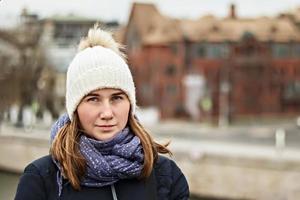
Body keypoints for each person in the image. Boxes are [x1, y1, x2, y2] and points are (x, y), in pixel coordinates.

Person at [14, 25, 189, 200]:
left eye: (117, 98)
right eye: (93, 99)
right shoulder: (41, 180)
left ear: (130, 104)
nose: (107, 113)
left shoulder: (165, 176)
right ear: (75, 109)